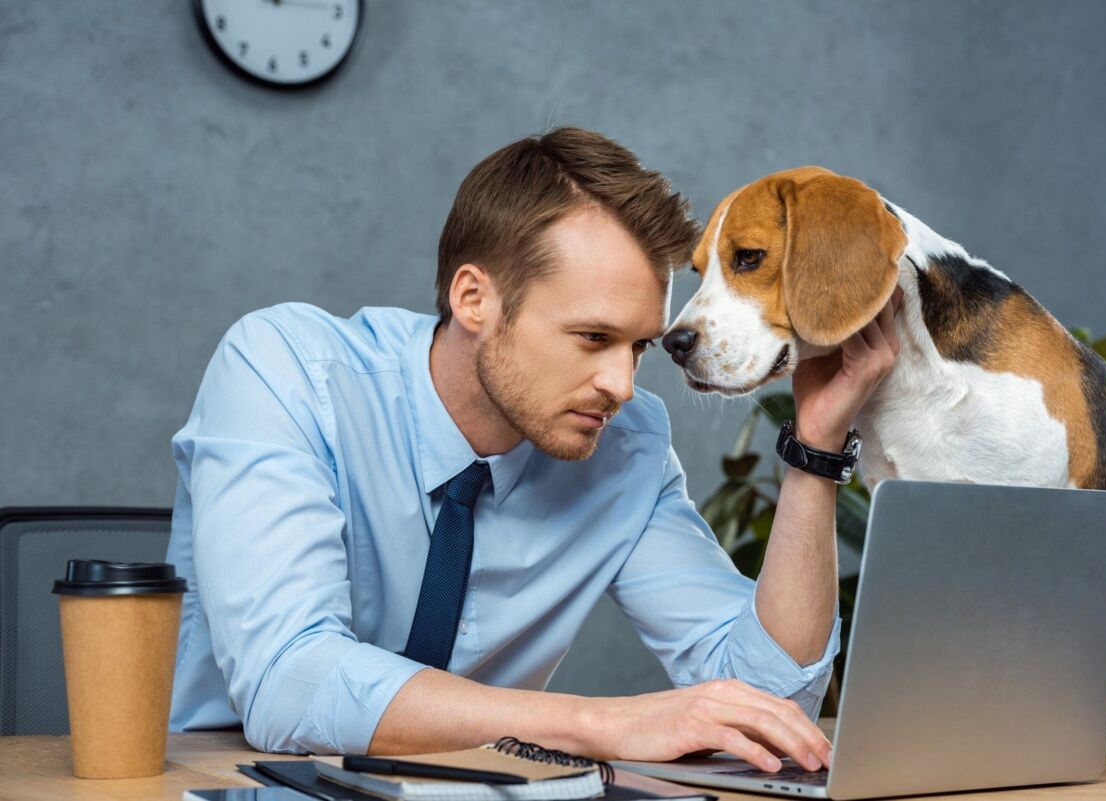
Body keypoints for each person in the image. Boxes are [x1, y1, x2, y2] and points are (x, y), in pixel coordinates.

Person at [166, 127, 901, 772]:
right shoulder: (285, 369)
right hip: (234, 782)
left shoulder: (625, 445)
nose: (621, 384)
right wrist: (599, 723)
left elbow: (768, 701)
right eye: (592, 338)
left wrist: (814, 448)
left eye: (640, 345)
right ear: (473, 299)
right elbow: (290, 682)